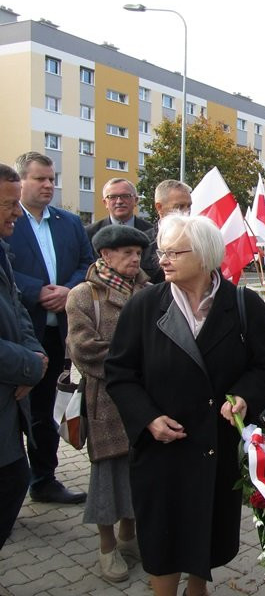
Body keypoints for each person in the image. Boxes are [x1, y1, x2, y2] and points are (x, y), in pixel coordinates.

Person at [105, 214, 265, 596]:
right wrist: (148, 418)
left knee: (204, 526)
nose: (162, 259)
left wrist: (243, 396)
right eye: (161, 251)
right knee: (162, 536)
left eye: (174, 252)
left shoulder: (243, 304)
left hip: (214, 446)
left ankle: (197, 587)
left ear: (204, 256)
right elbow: (119, 372)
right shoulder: (144, 306)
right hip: (163, 447)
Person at [7, 151, 94, 504]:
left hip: (61, 334)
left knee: (47, 410)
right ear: (21, 181)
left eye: (51, 178)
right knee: (15, 410)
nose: (48, 185)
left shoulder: (69, 222)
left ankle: (44, 479)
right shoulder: (10, 221)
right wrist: (35, 290)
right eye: (40, 178)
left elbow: (87, 263)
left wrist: (68, 290)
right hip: (20, 333)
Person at [65, 224, 150, 581]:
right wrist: (136, 361)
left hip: (146, 400)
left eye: (138, 253)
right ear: (105, 255)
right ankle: (106, 548)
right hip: (106, 401)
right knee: (107, 478)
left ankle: (129, 539)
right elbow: (83, 349)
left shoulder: (150, 290)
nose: (135, 259)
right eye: (127, 253)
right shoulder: (84, 295)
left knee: (137, 471)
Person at [0, 163, 48, 550]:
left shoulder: (2, 251)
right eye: (8, 204)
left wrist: (34, 351)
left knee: (14, 478)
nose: (17, 212)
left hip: (10, 393)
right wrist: (31, 366)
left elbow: (15, 309)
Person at [140, 179, 192, 283]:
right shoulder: (142, 244)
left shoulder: (200, 241)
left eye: (189, 206)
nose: (186, 212)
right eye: (179, 207)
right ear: (159, 207)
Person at [85, 178, 153, 253]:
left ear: (136, 200)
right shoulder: (88, 234)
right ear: (105, 203)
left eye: (125, 196)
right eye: (112, 197)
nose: (119, 201)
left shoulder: (151, 232)